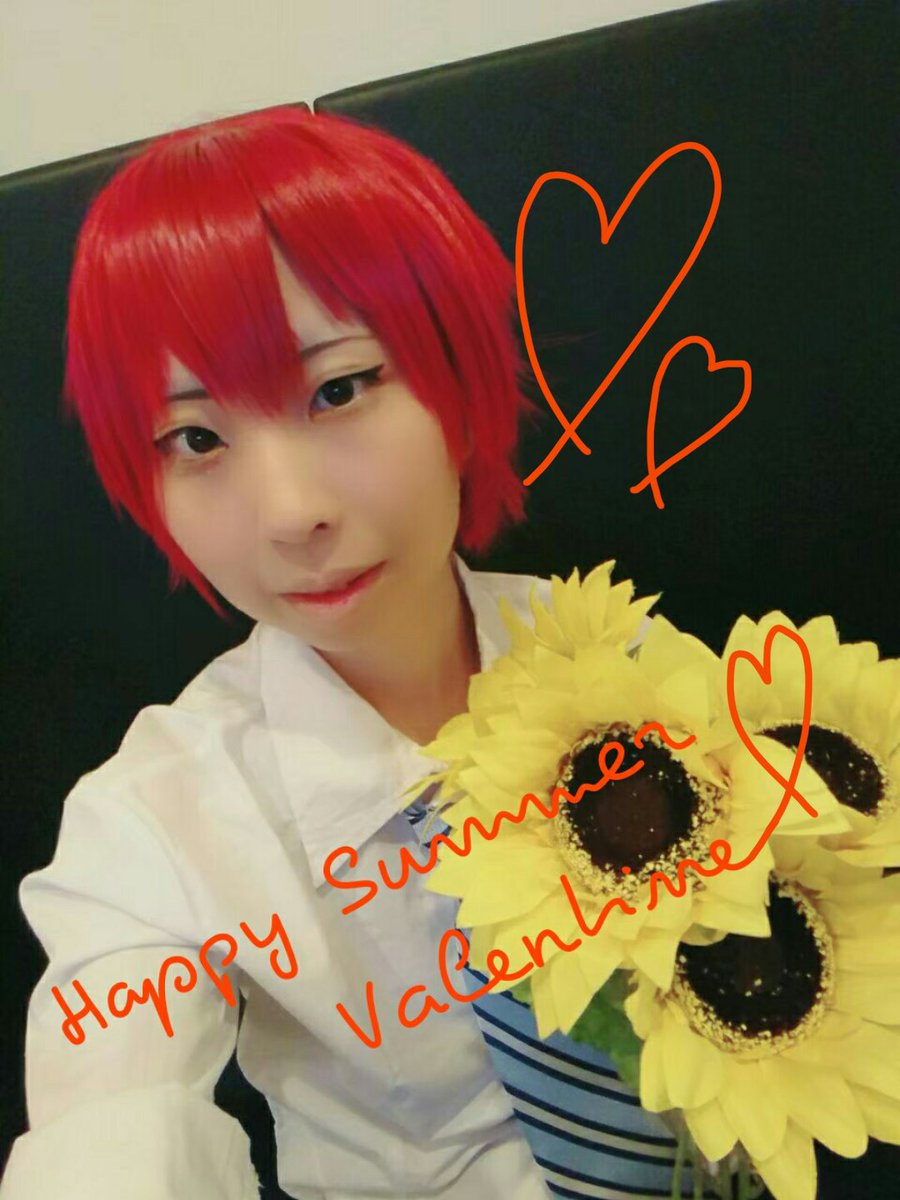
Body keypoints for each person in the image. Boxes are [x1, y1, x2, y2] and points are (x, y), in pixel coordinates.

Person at [2, 106, 697, 1199]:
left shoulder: (632, 656)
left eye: (339, 388)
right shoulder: (160, 822)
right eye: (197, 438)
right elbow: (113, 1124)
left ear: (455, 376)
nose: (291, 513)